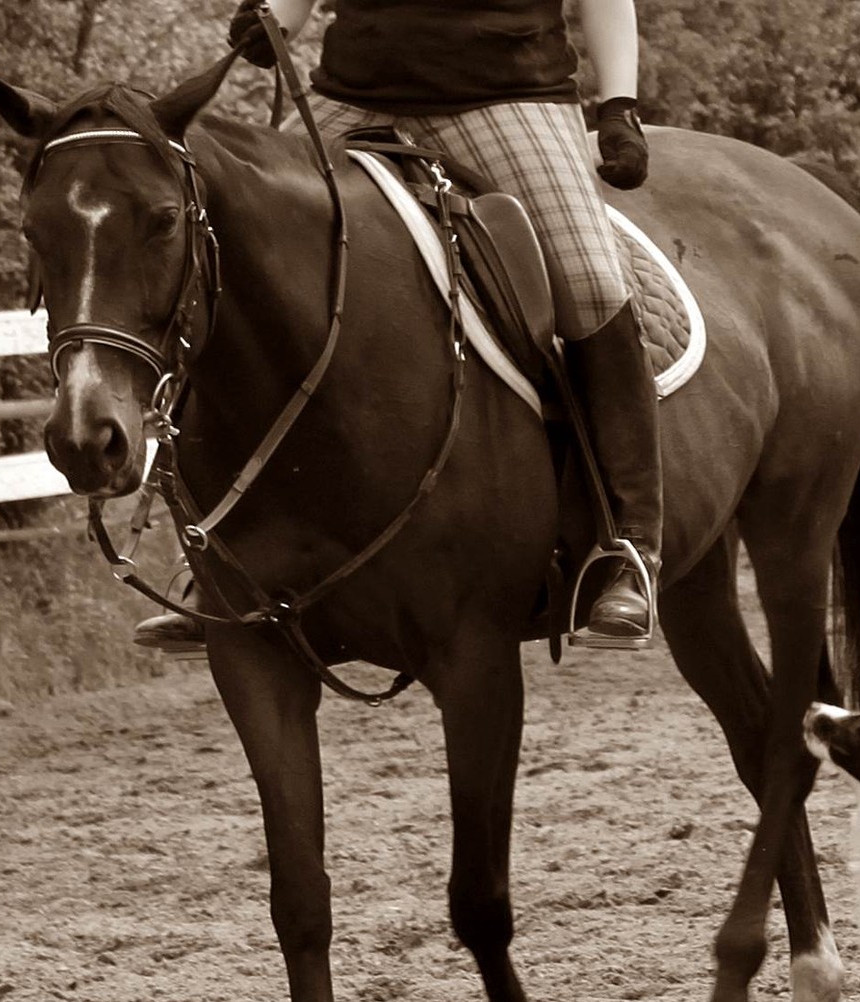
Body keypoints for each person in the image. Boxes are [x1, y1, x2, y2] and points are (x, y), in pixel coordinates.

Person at [134, 0, 661, 648]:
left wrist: (617, 105)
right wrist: (276, 18)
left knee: (590, 287)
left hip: (505, 95)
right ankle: (213, 554)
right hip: (353, 94)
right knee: (239, 263)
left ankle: (629, 548)